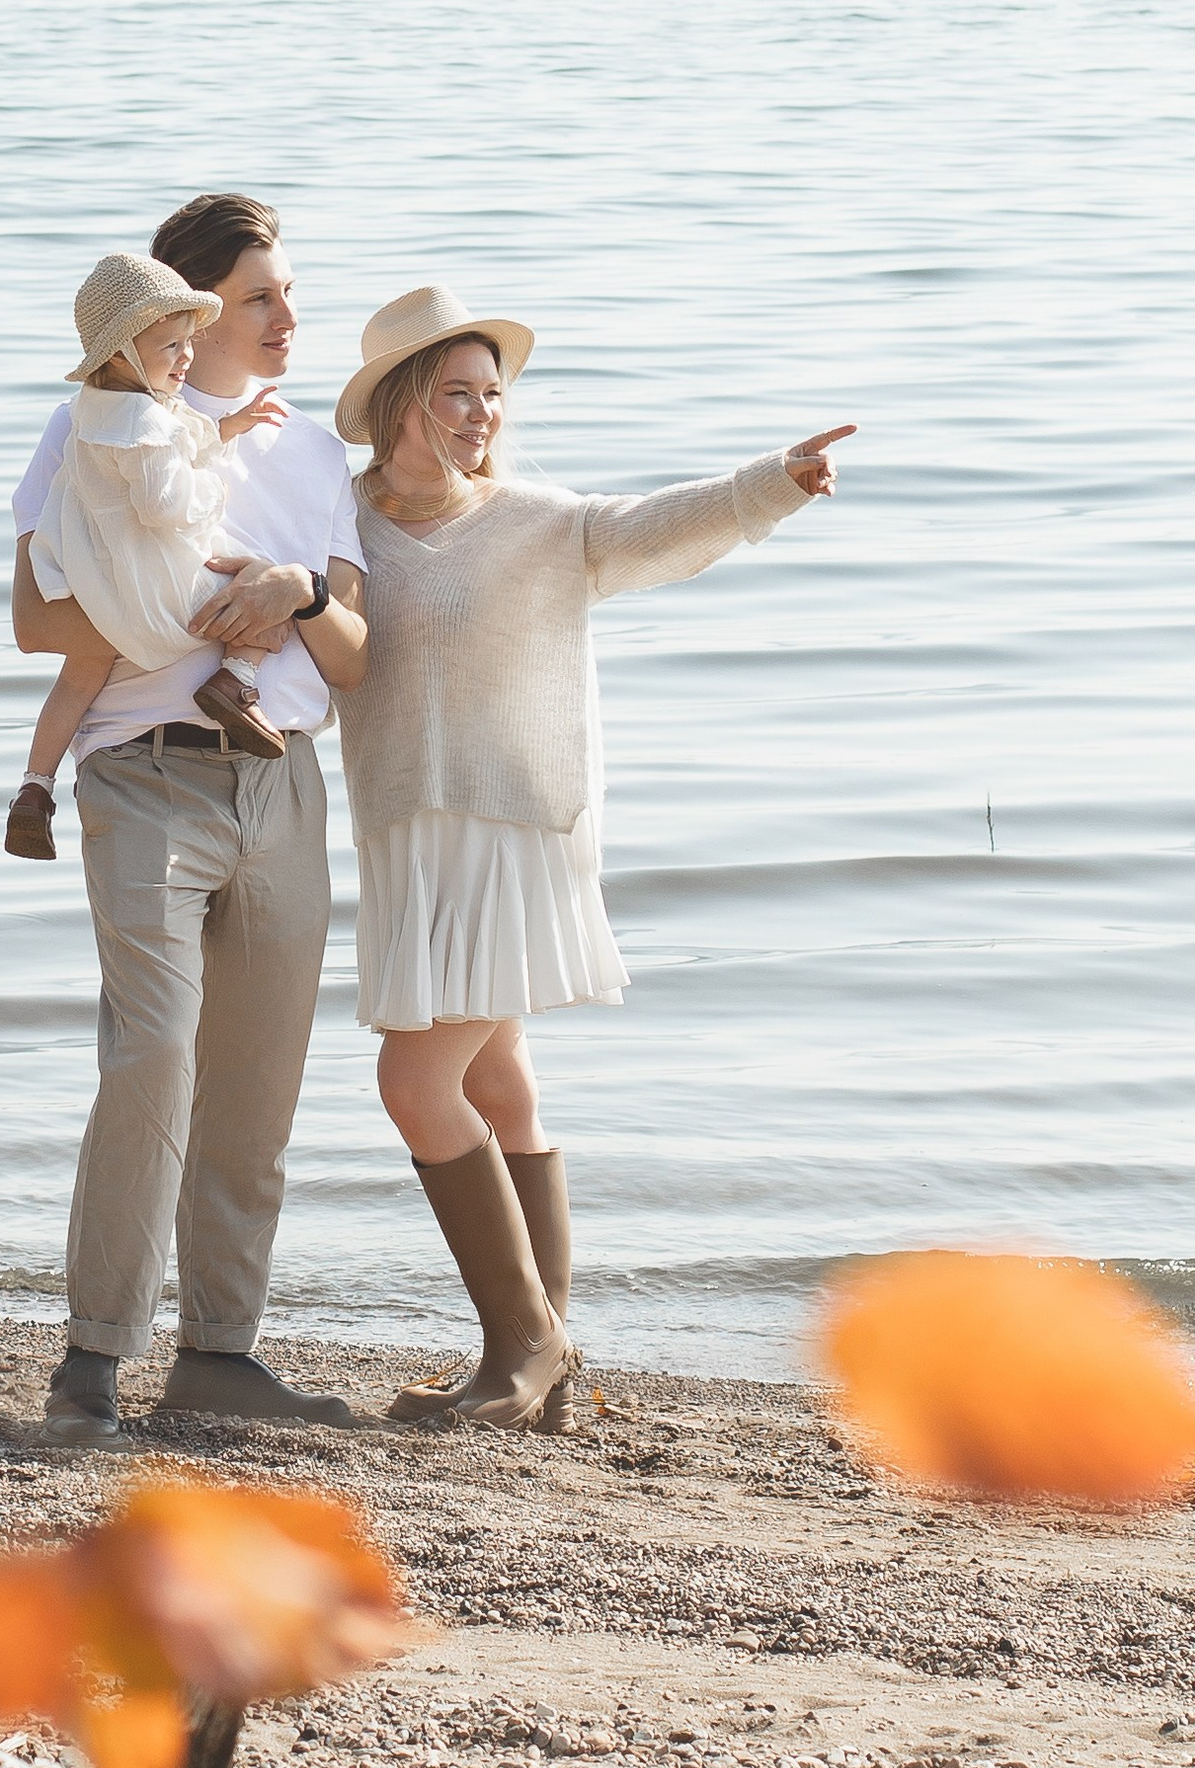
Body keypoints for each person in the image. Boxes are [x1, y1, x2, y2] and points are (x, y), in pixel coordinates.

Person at [334, 283, 851, 1433]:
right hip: (406, 833)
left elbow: (646, 531)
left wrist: (769, 482)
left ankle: (528, 1346)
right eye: (457, 393)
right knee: (489, 1076)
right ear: (401, 402)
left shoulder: (535, 519)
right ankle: (537, 1360)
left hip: (514, 830)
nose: (481, 415)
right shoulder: (342, 522)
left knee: (413, 1086)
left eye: (492, 394)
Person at [8, 192, 370, 1446]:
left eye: (285, 293)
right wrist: (192, 617)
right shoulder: (95, 429)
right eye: (261, 296)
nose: (286, 318)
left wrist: (299, 591)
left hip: (283, 786)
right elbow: (32, 621)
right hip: (142, 773)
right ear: (190, 310)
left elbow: (358, 656)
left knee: (257, 1087)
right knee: (153, 1053)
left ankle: (220, 1352)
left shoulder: (317, 457)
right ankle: (93, 1358)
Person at [5, 252, 288, 852]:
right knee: (268, 600)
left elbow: (169, 446)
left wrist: (225, 428)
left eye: (189, 342)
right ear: (121, 354)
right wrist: (214, 483)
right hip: (155, 586)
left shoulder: (93, 410)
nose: (187, 357)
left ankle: (34, 786)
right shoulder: (144, 422)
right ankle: (235, 679)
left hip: (94, 578)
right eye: (170, 347)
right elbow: (167, 503)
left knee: (81, 675)